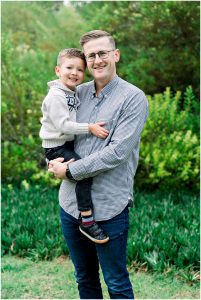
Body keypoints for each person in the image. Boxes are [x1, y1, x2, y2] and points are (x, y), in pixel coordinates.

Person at [48, 30, 148, 299]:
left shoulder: (133, 98)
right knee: (85, 279)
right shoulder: (75, 93)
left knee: (116, 283)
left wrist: (69, 170)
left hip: (109, 208)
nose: (97, 60)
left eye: (102, 53)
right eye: (91, 55)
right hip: (70, 205)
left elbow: (117, 153)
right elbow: (54, 127)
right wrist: (51, 159)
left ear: (115, 55)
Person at [39, 48, 110, 244]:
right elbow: (62, 125)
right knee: (82, 172)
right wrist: (90, 128)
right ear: (57, 70)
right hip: (57, 146)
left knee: (80, 170)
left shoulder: (70, 91)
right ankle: (86, 219)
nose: (74, 73)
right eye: (69, 67)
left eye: (80, 70)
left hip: (65, 143)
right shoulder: (56, 96)